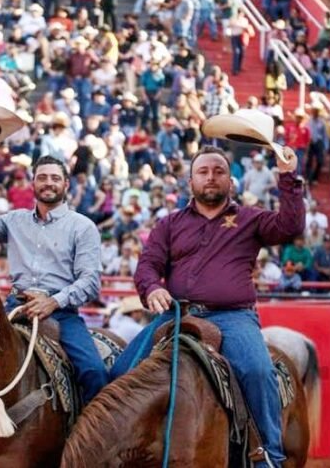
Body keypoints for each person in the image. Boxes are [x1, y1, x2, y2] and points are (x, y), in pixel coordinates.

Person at [124, 145, 303, 467]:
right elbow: (148, 265)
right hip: (177, 315)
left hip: (233, 318)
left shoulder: (251, 219)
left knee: (257, 371)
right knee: (119, 372)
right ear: (190, 181)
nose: (211, 177)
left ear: (231, 182)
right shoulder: (169, 224)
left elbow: (290, 228)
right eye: (203, 172)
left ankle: (269, 455)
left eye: (219, 172)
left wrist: (287, 177)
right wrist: (152, 288)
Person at [0, 153, 108, 403]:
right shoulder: (15, 220)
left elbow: (90, 281)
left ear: (66, 184)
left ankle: (89, 439)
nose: (49, 183)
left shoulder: (83, 227)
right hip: (16, 307)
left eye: (55, 178)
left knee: (94, 372)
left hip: (61, 312)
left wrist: (53, 301)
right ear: (33, 182)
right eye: (42, 177)